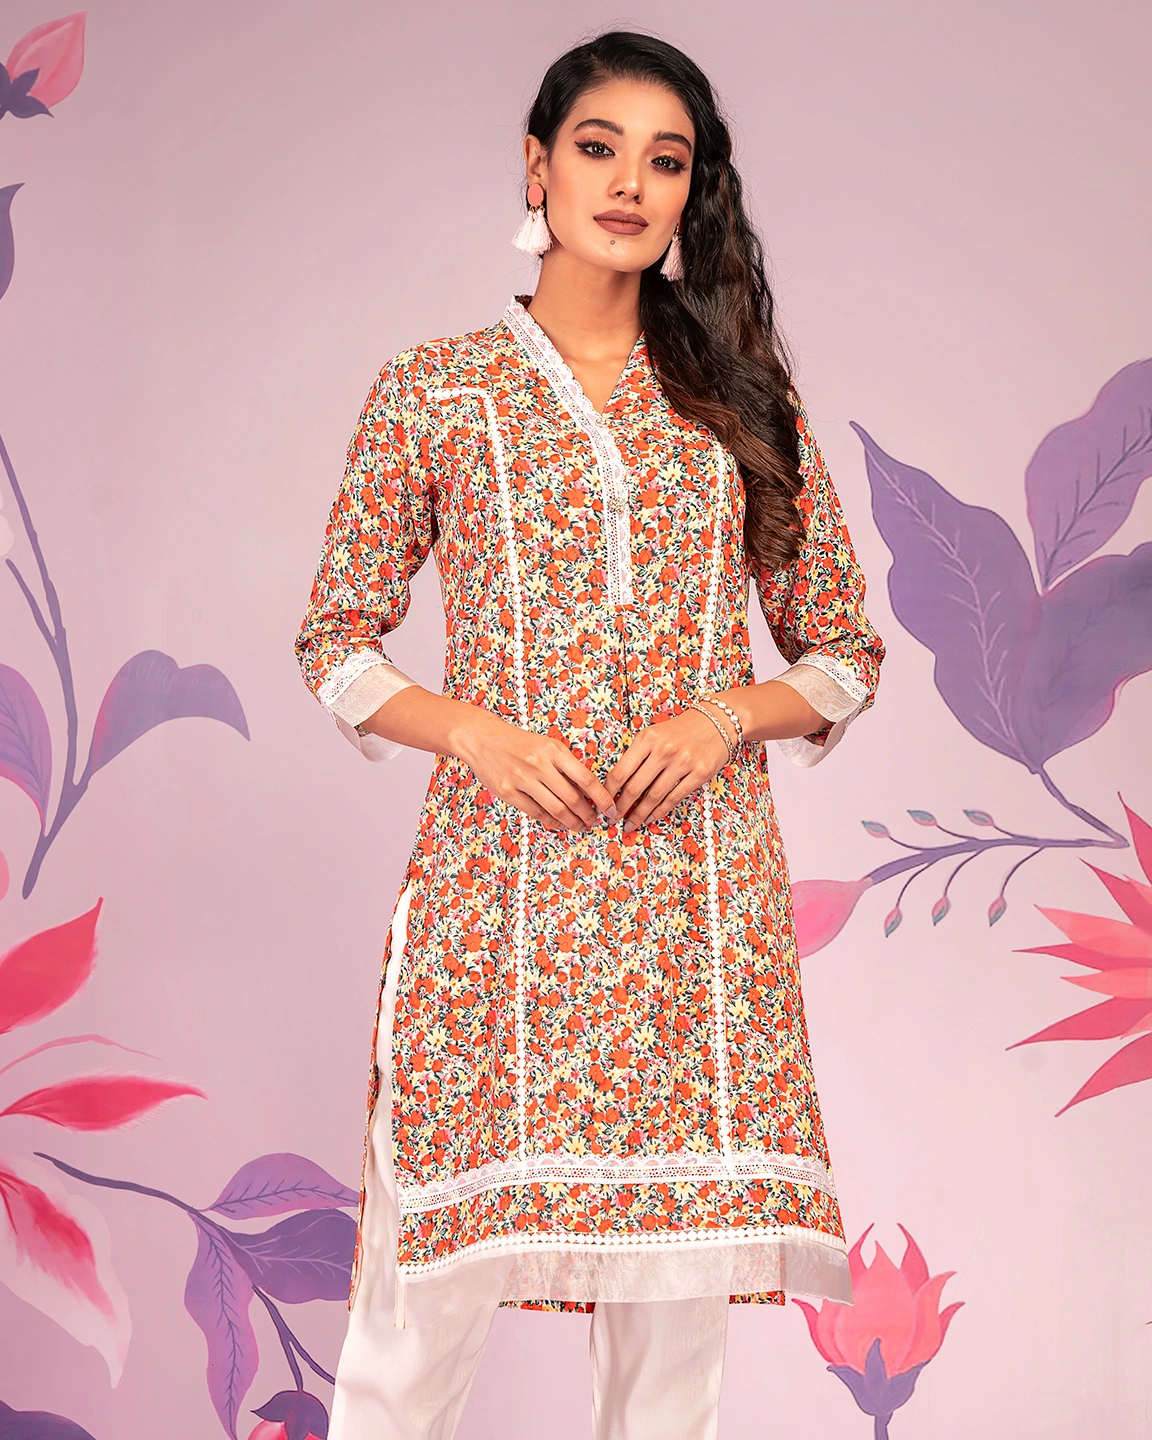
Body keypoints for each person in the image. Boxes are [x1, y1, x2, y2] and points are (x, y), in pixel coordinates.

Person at [294, 29, 885, 1440]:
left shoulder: (738, 400)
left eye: (665, 161)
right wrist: (476, 735)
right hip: (498, 898)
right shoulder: (436, 389)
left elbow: (844, 655)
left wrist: (725, 716)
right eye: (598, 147)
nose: (628, 184)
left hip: (693, 906)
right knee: (411, 1322)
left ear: (691, 194)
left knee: (672, 1348)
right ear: (537, 167)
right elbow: (337, 641)